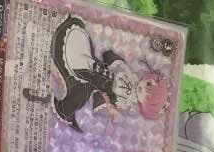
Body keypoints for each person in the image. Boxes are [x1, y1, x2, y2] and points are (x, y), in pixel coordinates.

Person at [22, 14, 169, 132]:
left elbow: (107, 98)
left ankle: (46, 68)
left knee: (75, 86)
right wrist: (113, 61)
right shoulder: (130, 75)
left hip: (93, 84)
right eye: (148, 85)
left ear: (144, 105)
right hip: (95, 67)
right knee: (76, 47)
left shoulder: (127, 102)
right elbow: (112, 60)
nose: (143, 88)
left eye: (147, 96)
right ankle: (45, 50)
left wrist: (111, 109)